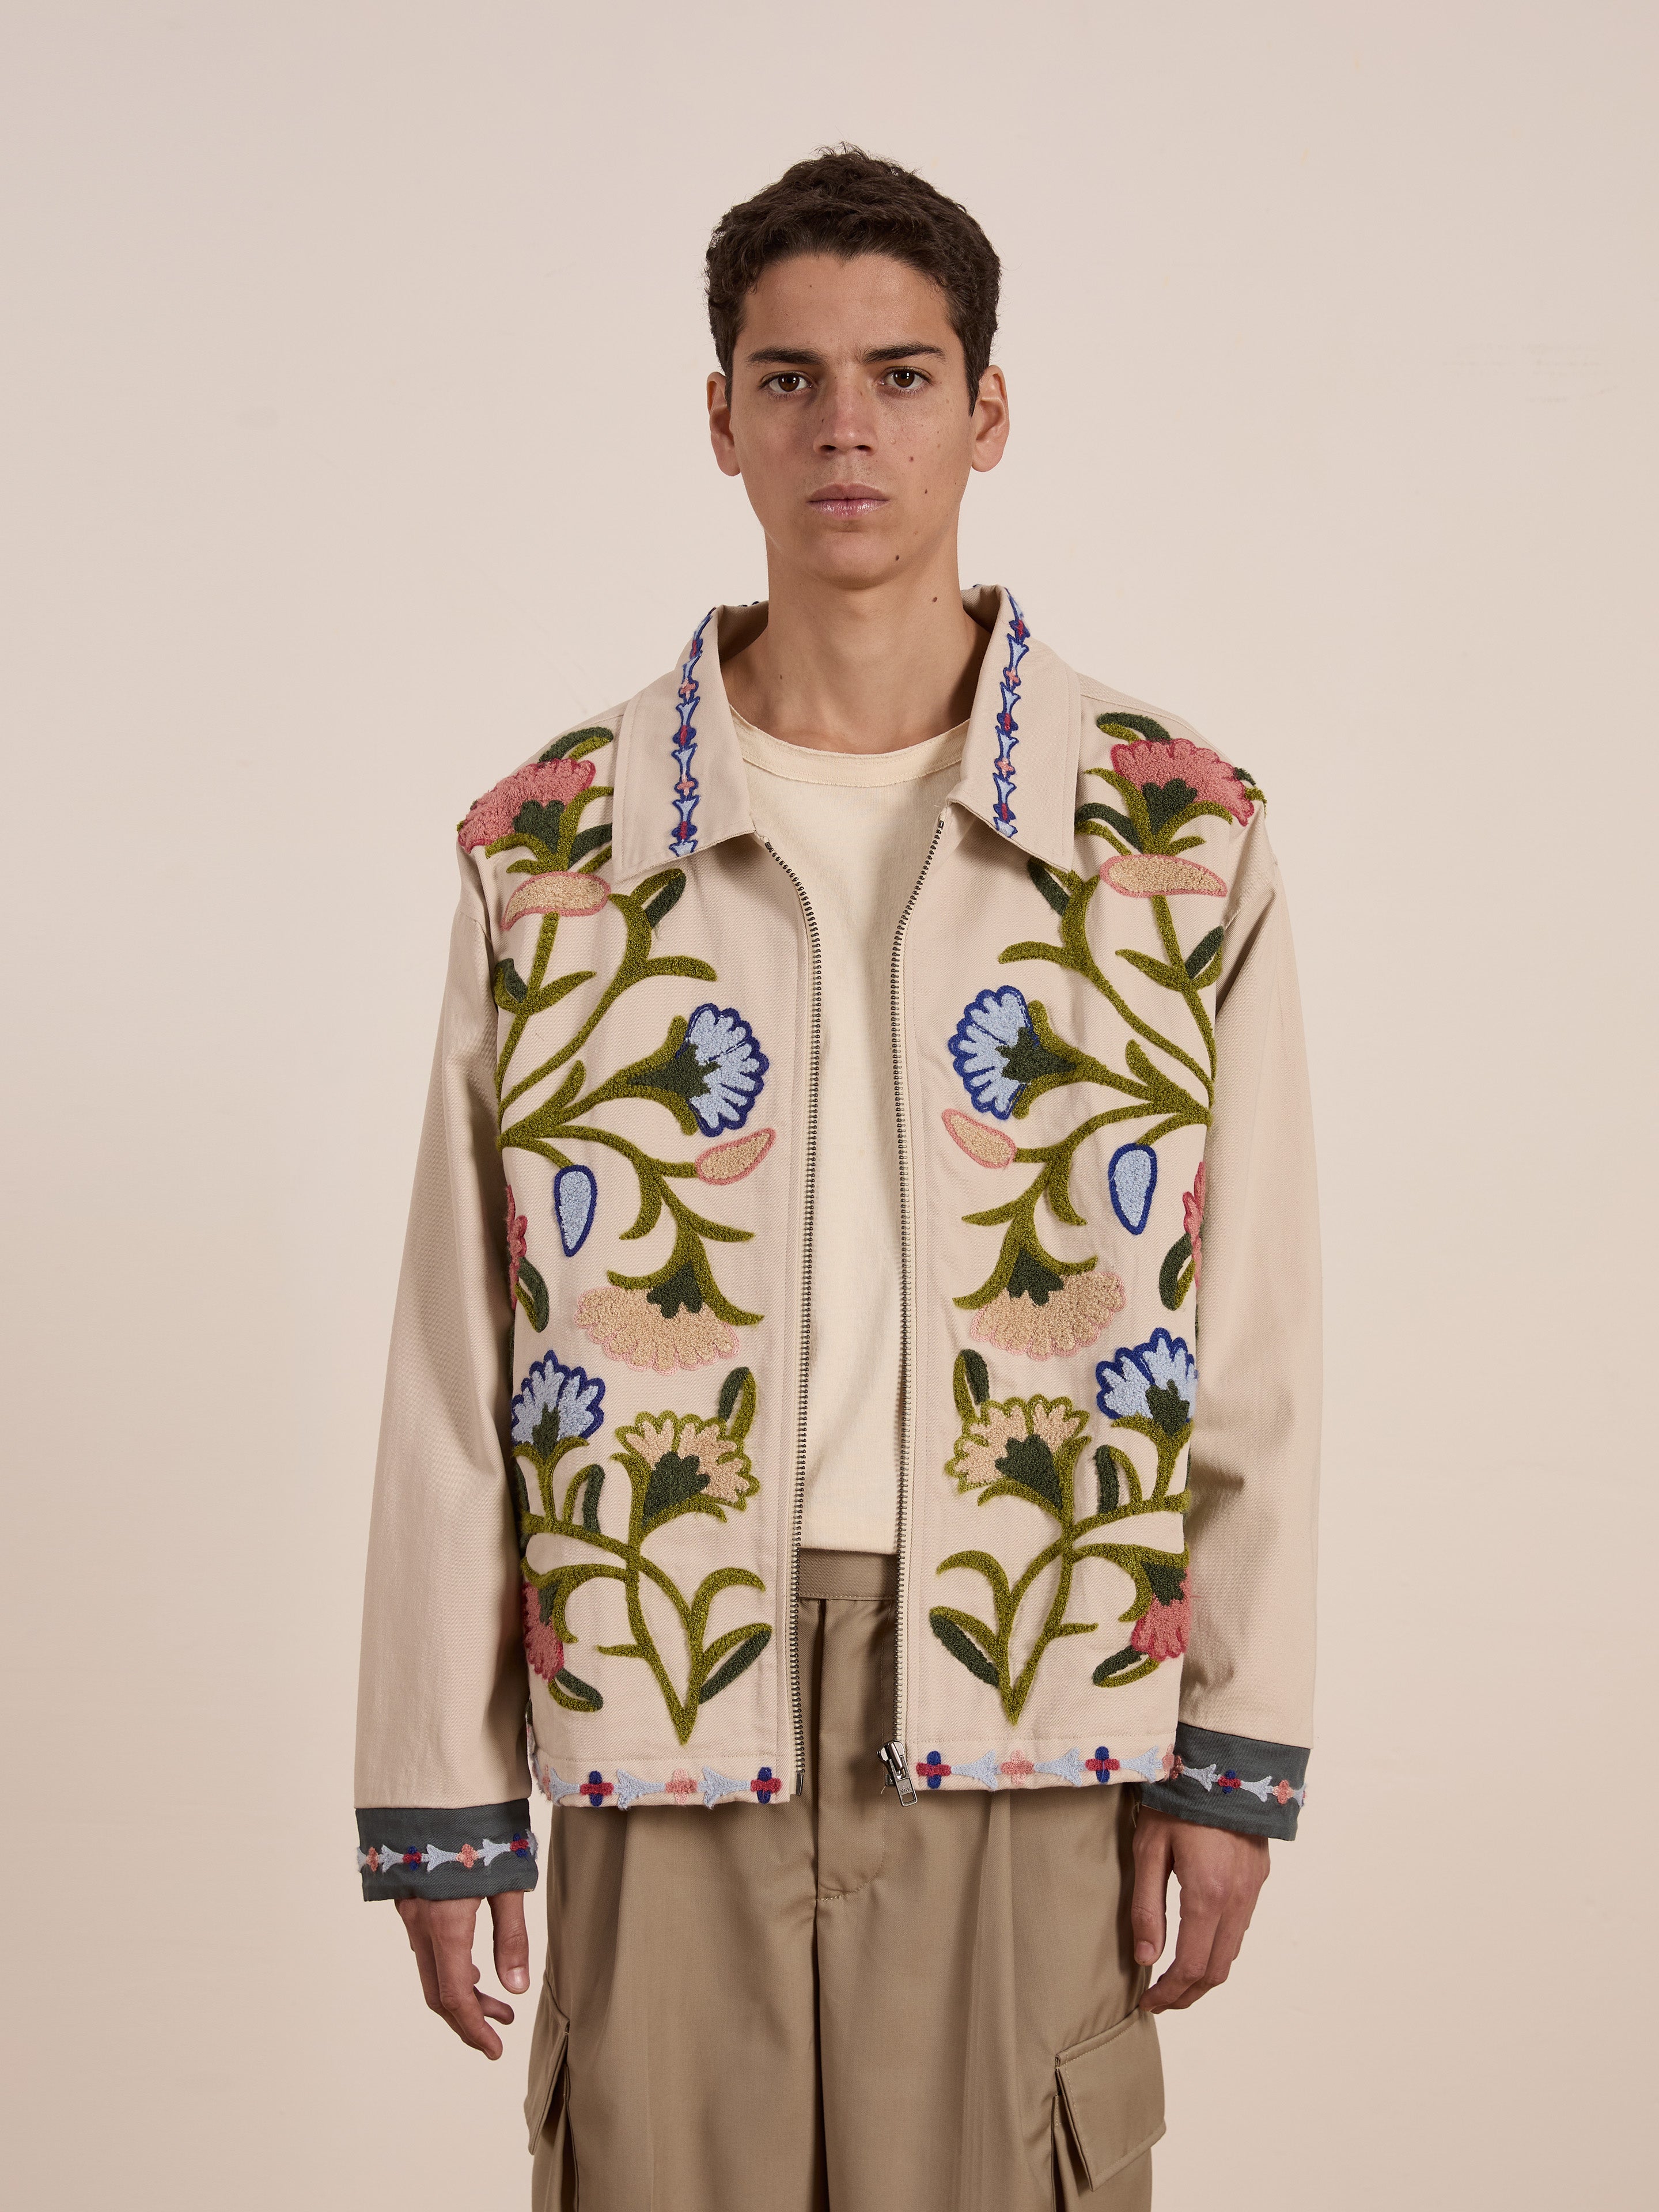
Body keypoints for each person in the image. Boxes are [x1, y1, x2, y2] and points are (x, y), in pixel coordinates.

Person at [353, 145, 1321, 2212]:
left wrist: (1231, 1749)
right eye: (789, 380)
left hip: (1035, 1683)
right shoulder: (554, 850)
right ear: (720, 417)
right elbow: (461, 1354)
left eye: (900, 373)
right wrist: (443, 1798)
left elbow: (1250, 1341)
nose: (845, 428)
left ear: (988, 410)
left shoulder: (1174, 839)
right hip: (661, 1670)